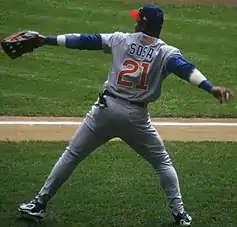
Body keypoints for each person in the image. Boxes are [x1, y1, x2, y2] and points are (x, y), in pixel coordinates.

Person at [18, 4, 233, 226]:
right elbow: (185, 69)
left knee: (71, 155)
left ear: (143, 24)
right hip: (136, 118)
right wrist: (210, 87)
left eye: (138, 20)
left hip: (105, 110)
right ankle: (180, 214)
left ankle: (38, 204)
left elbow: (85, 40)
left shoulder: (121, 39)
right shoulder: (165, 52)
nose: (135, 22)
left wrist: (47, 39)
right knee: (162, 163)